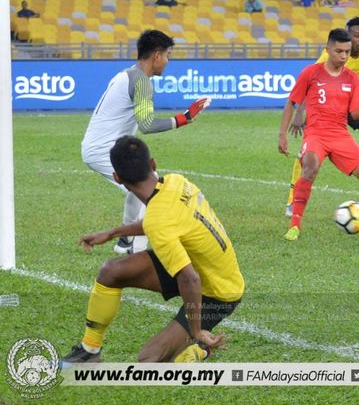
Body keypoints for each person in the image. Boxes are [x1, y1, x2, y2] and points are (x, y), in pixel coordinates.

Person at [63, 136, 243, 363]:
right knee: (111, 271)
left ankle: (200, 348)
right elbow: (162, 223)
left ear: (117, 178)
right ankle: (89, 351)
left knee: (149, 361)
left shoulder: (158, 220)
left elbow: (190, 279)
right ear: (154, 164)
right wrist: (112, 233)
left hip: (219, 292)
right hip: (196, 265)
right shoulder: (176, 181)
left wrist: (196, 332)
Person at [80, 30, 211, 255]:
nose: (168, 62)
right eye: (168, 55)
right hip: (103, 150)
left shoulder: (129, 74)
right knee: (149, 190)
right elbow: (147, 125)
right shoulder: (141, 82)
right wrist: (184, 118)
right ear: (157, 56)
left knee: (140, 188)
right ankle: (137, 251)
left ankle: (126, 243)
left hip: (101, 147)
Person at [278, 29, 359, 241]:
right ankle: (295, 225)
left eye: (347, 52)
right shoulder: (311, 72)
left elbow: (355, 113)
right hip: (316, 134)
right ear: (327, 50)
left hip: (340, 135)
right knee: (310, 168)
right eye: (339, 51)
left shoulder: (351, 78)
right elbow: (292, 101)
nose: (344, 56)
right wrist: (283, 135)